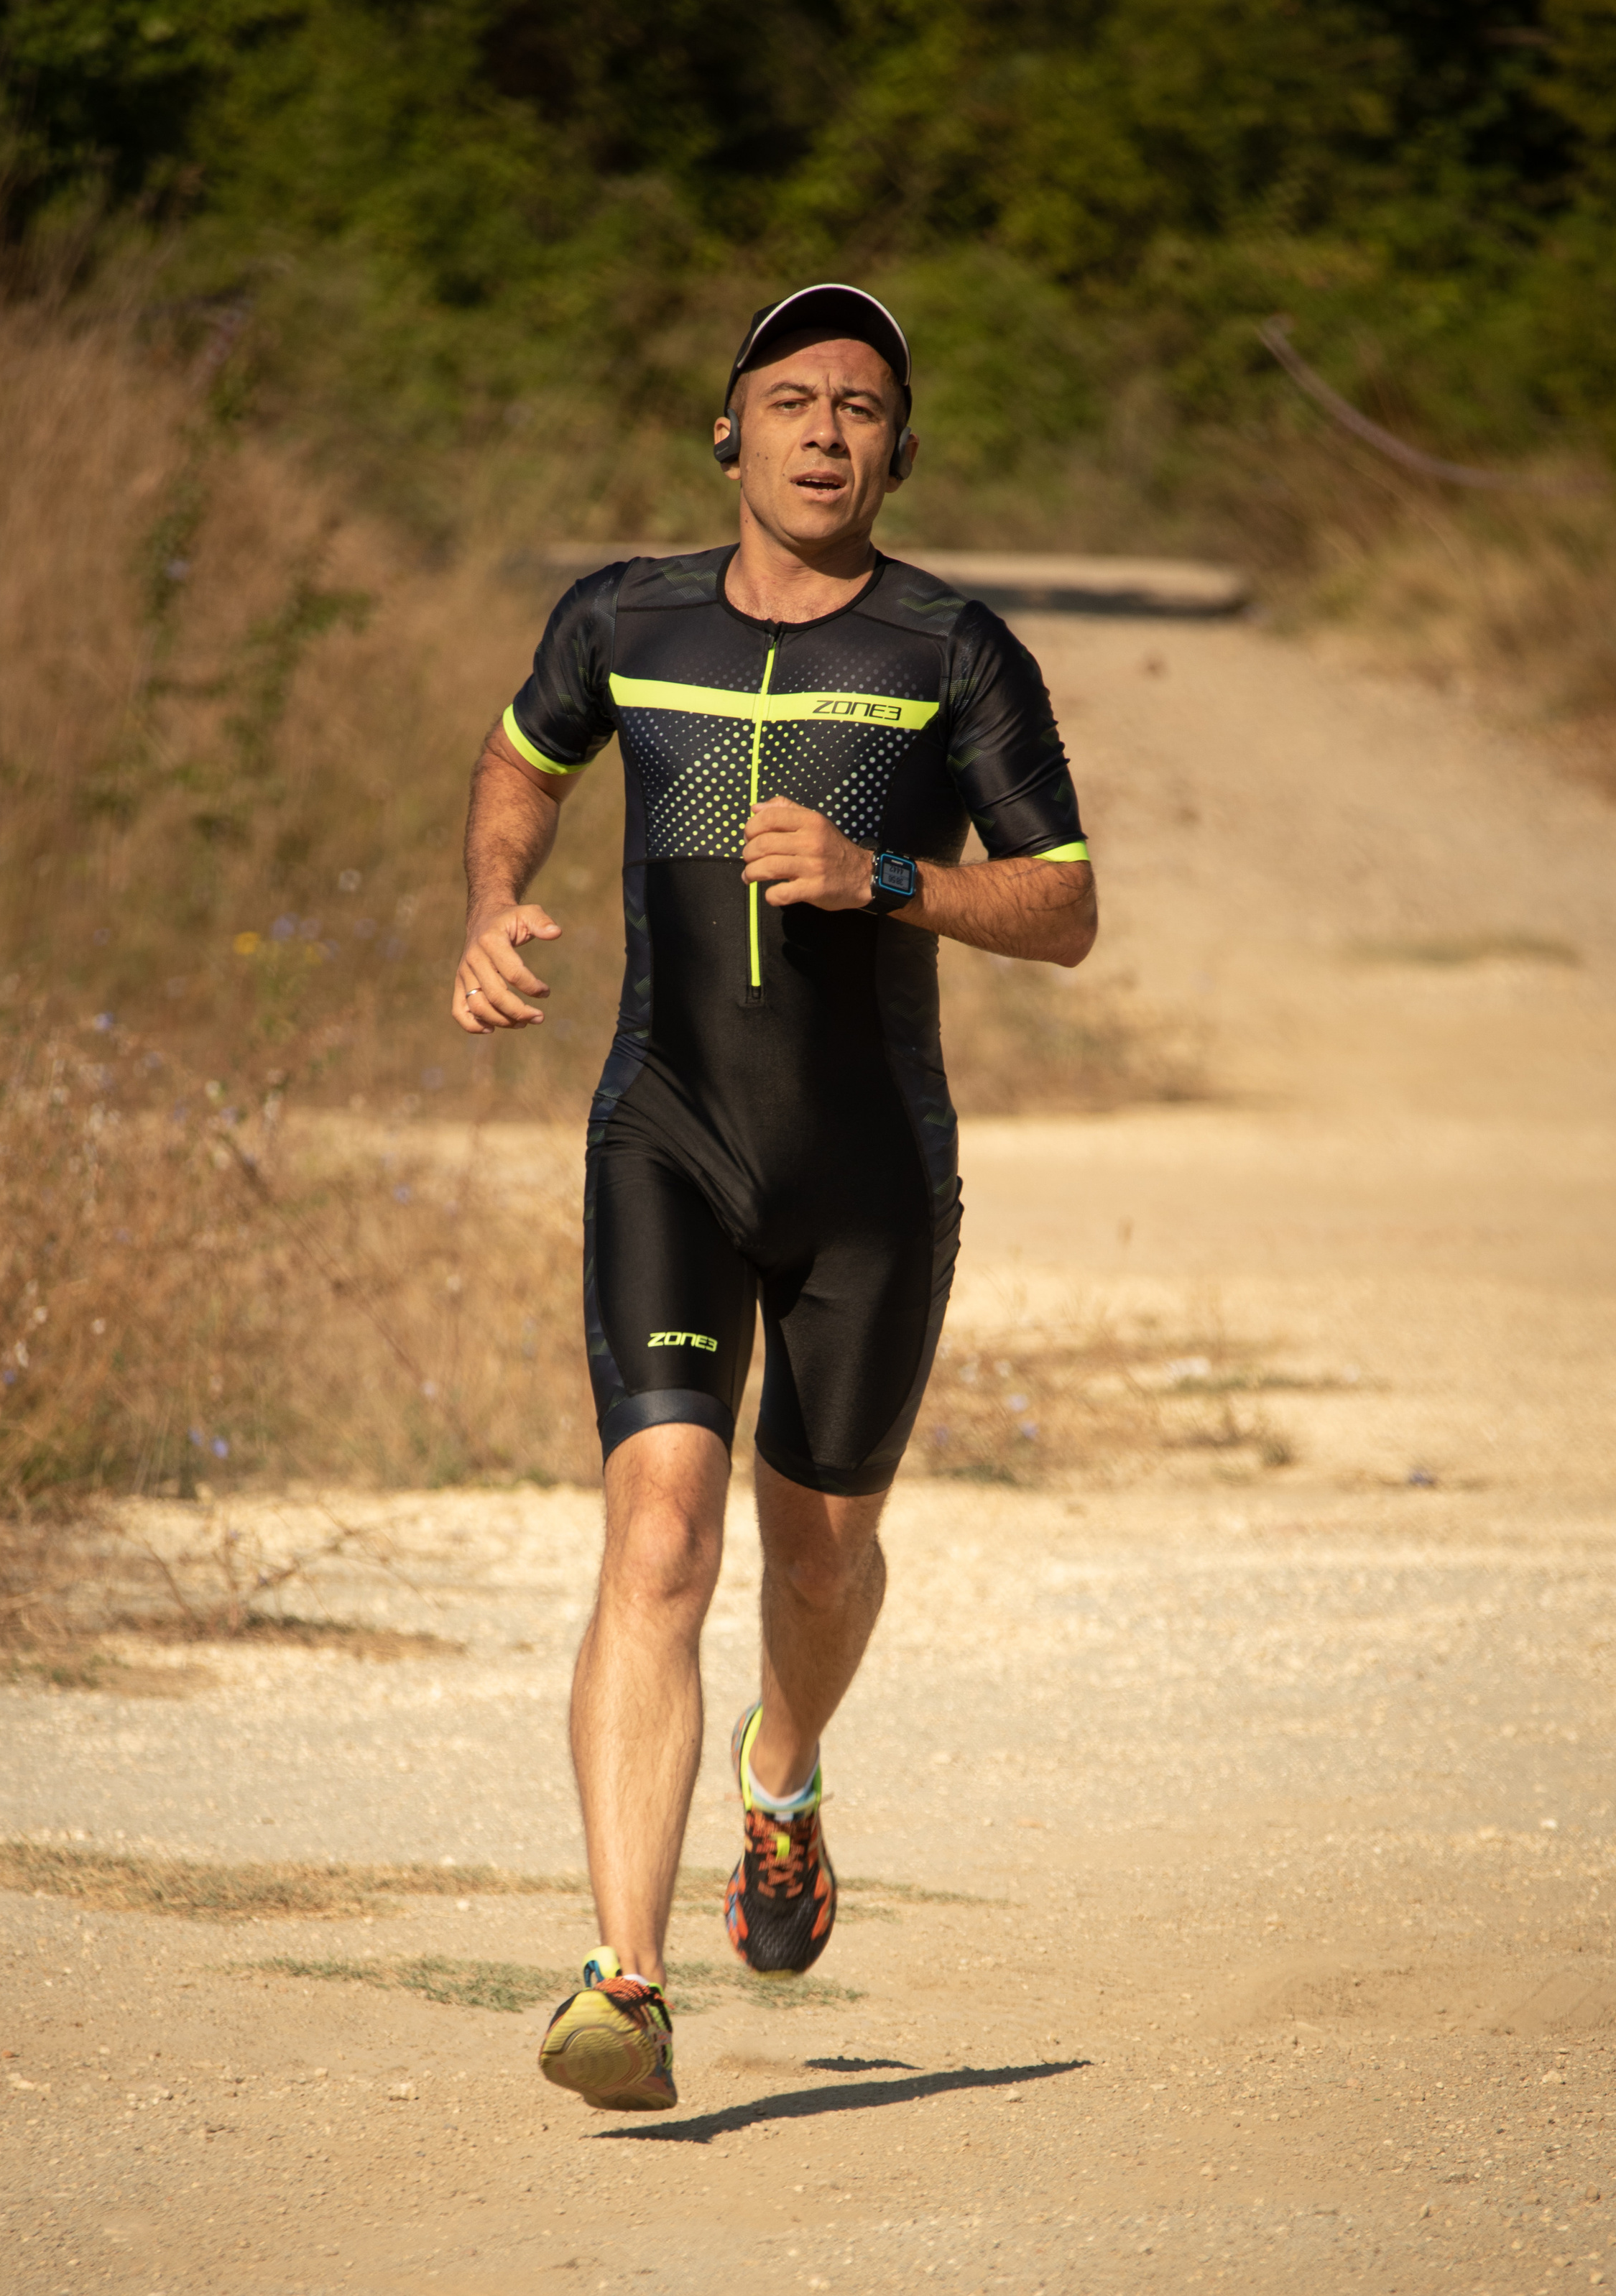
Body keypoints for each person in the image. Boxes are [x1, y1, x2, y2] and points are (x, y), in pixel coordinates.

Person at [451, 284, 1095, 2113]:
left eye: (864, 405)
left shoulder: (947, 648)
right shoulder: (620, 615)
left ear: (899, 448)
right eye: (791, 398)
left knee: (815, 1552)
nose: (826, 429)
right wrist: (491, 903)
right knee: (660, 1534)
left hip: (869, 1170)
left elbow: (1059, 902)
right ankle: (622, 1983)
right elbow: (522, 757)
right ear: (724, 433)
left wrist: (887, 871)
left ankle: (784, 1778)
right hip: (666, 1127)